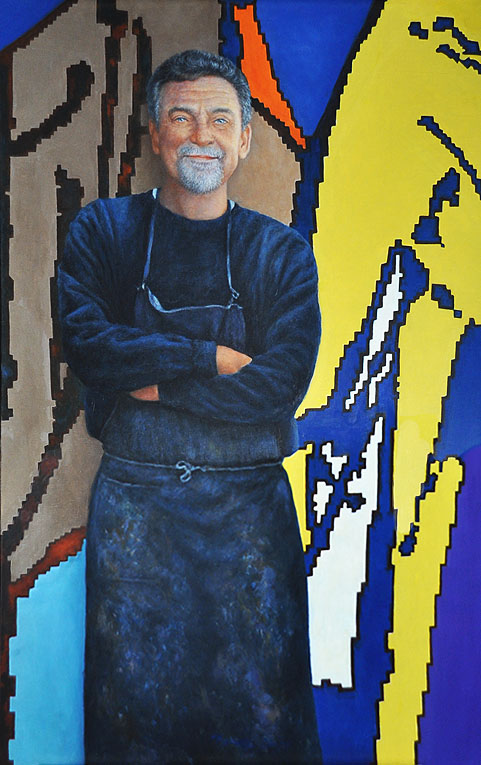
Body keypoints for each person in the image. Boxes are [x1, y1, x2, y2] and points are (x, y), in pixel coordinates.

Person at [59, 49, 321, 763]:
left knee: (263, 724)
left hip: (250, 523)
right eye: (181, 117)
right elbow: (91, 349)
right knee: (134, 724)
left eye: (219, 119)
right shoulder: (103, 233)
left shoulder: (281, 255)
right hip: (137, 518)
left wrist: (157, 383)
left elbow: (278, 386)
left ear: (244, 139)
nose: (201, 135)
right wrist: (210, 358)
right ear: (154, 133)